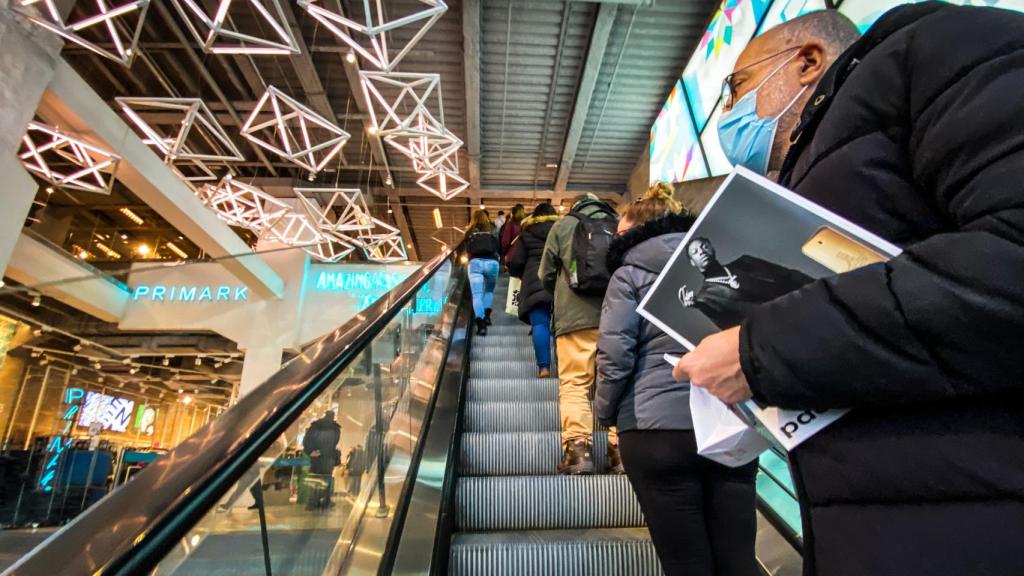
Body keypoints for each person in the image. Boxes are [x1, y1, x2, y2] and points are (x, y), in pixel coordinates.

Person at [672, 6, 1024, 575]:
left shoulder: (950, 52)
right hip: (877, 514)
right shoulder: (809, 164)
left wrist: (759, 352)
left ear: (807, 60)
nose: (729, 113)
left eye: (736, 87)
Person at [596, 184, 757, 576]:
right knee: (738, 559)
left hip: (655, 430)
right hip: (730, 418)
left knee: (686, 563)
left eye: (620, 230)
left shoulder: (629, 273)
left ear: (635, 230)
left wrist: (603, 412)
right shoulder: (722, 264)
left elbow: (616, 353)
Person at [539, 193, 622, 475]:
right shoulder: (619, 223)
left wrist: (561, 295)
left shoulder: (563, 225)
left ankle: (579, 451)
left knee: (575, 383)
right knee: (617, 379)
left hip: (574, 320)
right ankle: (619, 452)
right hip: (617, 316)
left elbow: (545, 274)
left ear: (573, 207)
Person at [679, 236, 813, 329]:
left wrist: (818, 286)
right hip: (782, 329)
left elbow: (789, 274)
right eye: (695, 252)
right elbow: (731, 327)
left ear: (712, 248)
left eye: (704, 246)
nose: (702, 252)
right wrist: (700, 306)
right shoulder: (705, 298)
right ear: (692, 262)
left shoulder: (745, 261)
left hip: (803, 305)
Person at [508, 203, 558, 377]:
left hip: (535, 280)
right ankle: (564, 367)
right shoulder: (562, 230)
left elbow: (515, 263)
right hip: (560, 281)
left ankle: (544, 368)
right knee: (562, 327)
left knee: (540, 324)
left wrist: (521, 273)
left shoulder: (527, 233)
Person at [466, 210, 501, 336]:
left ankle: (481, 325)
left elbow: (467, 248)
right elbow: (498, 245)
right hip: (492, 263)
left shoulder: (470, 231)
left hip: (475, 263)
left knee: (477, 294)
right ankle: (487, 316)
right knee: (489, 291)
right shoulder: (492, 228)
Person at [303, 411, 341, 510]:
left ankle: (312, 502)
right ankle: (325, 501)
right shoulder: (335, 428)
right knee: (326, 480)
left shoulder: (315, 425)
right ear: (333, 416)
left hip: (317, 456)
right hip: (328, 458)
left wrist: (310, 451)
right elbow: (335, 442)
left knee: (315, 479)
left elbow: (307, 440)